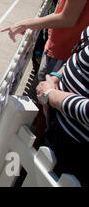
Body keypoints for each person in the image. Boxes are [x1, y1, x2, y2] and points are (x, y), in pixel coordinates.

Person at [36, 25, 88, 187]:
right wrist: (59, 75)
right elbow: (82, 53)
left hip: (77, 150)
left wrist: (51, 95)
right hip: (60, 127)